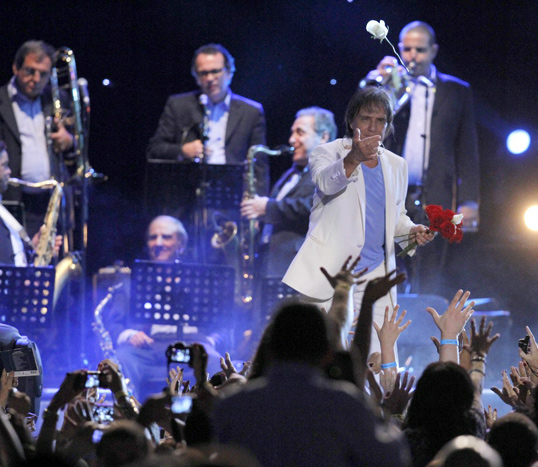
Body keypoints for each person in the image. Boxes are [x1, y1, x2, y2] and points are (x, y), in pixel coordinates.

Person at [282, 86, 434, 354]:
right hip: (331, 272)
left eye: (380, 121)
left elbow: (396, 218)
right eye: (366, 118)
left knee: (377, 358)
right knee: (321, 356)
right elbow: (326, 183)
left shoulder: (397, 165)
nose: (373, 126)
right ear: (352, 120)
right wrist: (354, 157)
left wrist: (413, 232)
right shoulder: (327, 152)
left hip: (376, 273)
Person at [213, 300, 410, 466]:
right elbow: (392, 460)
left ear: (270, 348)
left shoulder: (232, 407)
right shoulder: (345, 405)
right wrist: (388, 413)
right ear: (327, 354)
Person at [363, 21, 479, 294]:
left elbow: (467, 149)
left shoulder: (456, 90)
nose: (413, 56)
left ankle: (422, 330)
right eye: (407, 49)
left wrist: (470, 200)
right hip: (394, 192)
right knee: (391, 264)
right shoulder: (391, 88)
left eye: (420, 50)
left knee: (428, 268)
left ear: (433, 51)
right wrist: (376, 85)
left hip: (436, 193)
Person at [104, 215, 221, 399]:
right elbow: (113, 323)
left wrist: (209, 341)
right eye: (153, 237)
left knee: (214, 361)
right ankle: (129, 420)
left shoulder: (200, 282)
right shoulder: (133, 281)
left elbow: (222, 325)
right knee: (121, 359)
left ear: (181, 244)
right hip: (148, 348)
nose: (158, 243)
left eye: (166, 237)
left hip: (193, 348)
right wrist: (130, 335)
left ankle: (210, 423)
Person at [146, 43, 269, 195]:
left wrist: (257, 204)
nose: (210, 78)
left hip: (232, 195)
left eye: (215, 71)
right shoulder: (178, 106)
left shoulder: (251, 112)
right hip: (187, 195)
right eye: (203, 73)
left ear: (229, 72)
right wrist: (183, 150)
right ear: (196, 77)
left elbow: (260, 165)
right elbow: (155, 149)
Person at [240, 107, 336, 282]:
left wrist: (267, 208)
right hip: (272, 265)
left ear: (324, 137)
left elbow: (317, 206)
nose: (292, 140)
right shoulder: (291, 173)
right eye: (292, 133)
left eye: (300, 133)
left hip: (298, 268)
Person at [0, 40, 75, 237]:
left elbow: (75, 150)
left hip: (50, 200)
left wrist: (69, 140)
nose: (36, 79)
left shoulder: (58, 100)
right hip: (13, 198)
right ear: (16, 67)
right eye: (30, 71)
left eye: (43, 74)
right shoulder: (1, 100)